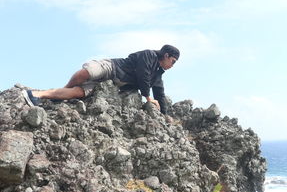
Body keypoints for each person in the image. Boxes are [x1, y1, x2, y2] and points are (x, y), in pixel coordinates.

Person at [22, 44, 180, 116]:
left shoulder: (158, 74)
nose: (172, 65)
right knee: (87, 73)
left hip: (110, 85)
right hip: (111, 67)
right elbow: (143, 74)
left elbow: (160, 92)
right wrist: (147, 98)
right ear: (166, 55)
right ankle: (60, 89)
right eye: (173, 61)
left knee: (78, 92)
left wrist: (165, 115)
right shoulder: (149, 55)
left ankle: (36, 94)